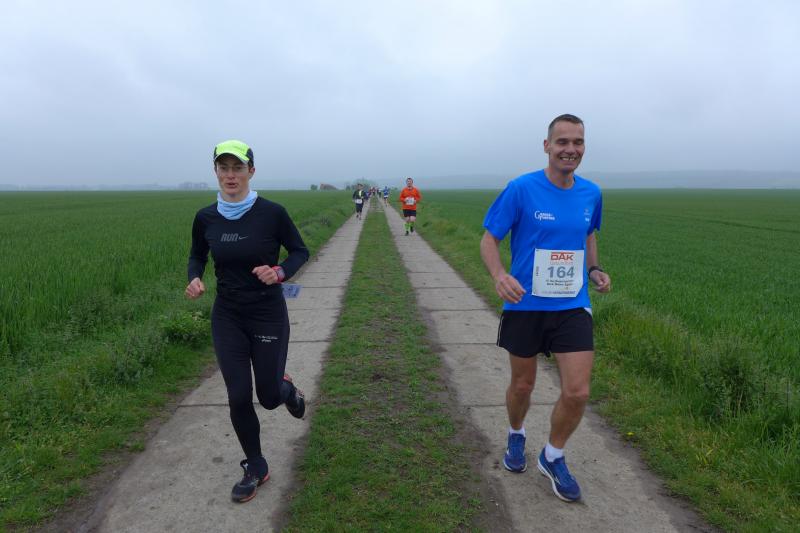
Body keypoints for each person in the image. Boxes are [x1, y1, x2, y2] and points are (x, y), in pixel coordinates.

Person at [480, 114, 611, 502]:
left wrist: (594, 269)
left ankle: (553, 455)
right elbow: (489, 240)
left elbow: (588, 233)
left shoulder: (591, 193)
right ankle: (516, 433)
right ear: (547, 146)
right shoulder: (521, 189)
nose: (571, 149)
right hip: (525, 304)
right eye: (563, 142)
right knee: (523, 385)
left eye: (578, 142)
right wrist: (499, 275)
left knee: (578, 392)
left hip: (572, 304)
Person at [185, 139, 309, 503]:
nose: (230, 175)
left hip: (267, 311)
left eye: (237, 168)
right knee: (238, 395)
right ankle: (256, 466)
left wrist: (280, 272)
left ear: (251, 171)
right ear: (216, 172)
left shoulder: (272, 213)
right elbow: (197, 255)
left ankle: (286, 390)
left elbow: (299, 250)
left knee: (268, 397)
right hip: (227, 315)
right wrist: (194, 278)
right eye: (223, 168)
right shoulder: (205, 218)